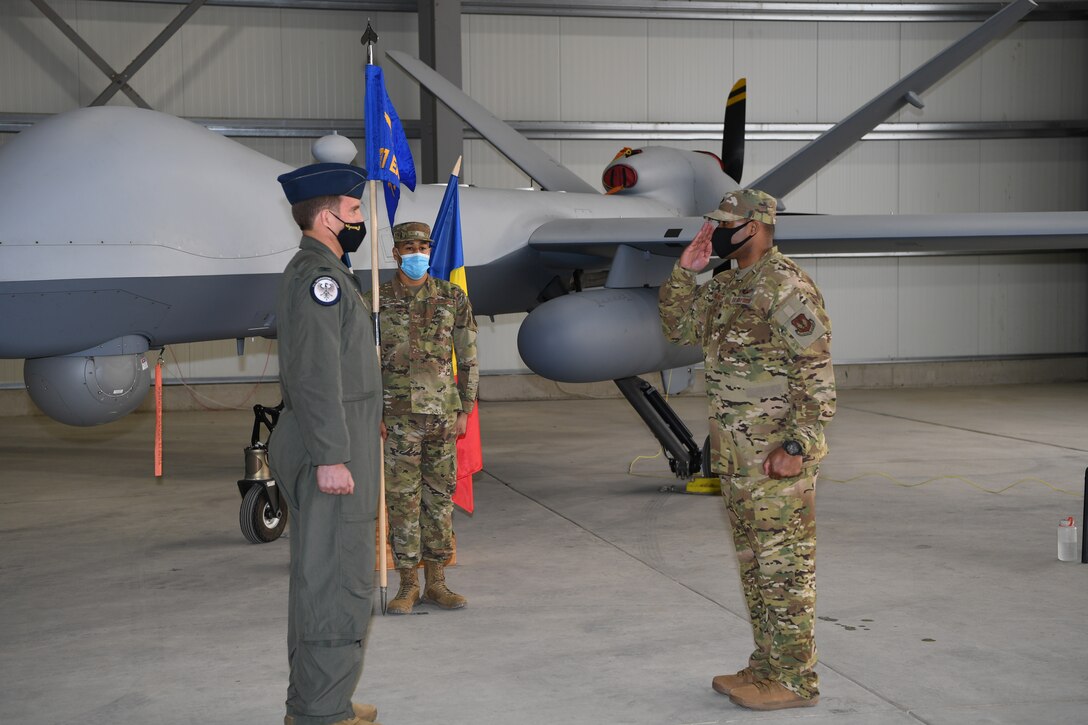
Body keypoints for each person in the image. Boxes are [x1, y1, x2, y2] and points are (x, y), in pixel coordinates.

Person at [658, 189, 836, 711]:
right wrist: (683, 273)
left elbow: (816, 374)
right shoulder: (730, 285)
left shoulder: (785, 285)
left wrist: (797, 446)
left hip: (777, 457)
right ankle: (767, 666)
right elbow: (678, 329)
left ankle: (797, 680)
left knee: (786, 569)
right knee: (756, 568)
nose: (715, 234)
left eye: (724, 226)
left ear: (755, 227)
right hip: (738, 459)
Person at [270, 162, 383, 725]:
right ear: (328, 215)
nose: (363, 219)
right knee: (338, 577)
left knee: (323, 572)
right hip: (330, 445)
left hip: (335, 436)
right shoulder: (322, 279)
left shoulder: (324, 272)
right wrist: (332, 455)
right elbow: (315, 376)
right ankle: (320, 712)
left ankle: (320, 699)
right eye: (356, 210)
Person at [373, 220, 479, 615]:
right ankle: (407, 585)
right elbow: (366, 362)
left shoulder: (452, 297)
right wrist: (374, 413)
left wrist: (466, 408)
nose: (417, 253)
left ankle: (437, 582)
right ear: (396, 252)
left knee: (439, 500)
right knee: (402, 502)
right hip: (398, 418)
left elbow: (467, 355)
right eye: (409, 247)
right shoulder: (378, 300)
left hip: (443, 416)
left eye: (423, 246)